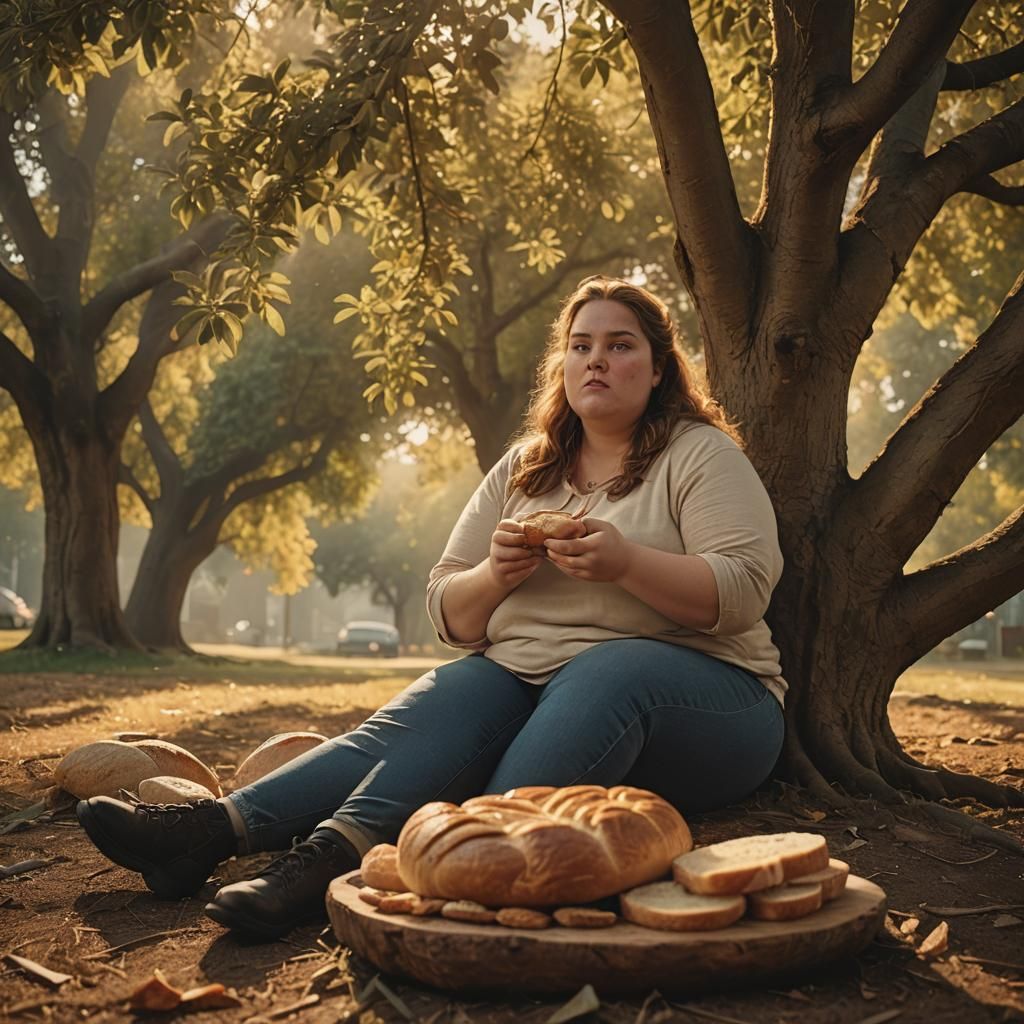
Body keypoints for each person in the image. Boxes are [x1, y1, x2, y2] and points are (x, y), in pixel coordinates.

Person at [76, 275, 786, 940]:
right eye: (580, 346)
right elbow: (450, 612)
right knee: (450, 696)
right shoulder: (526, 467)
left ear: (659, 369)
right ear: (562, 367)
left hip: (711, 702)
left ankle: (476, 861)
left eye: (620, 345)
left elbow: (745, 586)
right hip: (531, 689)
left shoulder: (699, 455)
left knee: (607, 673)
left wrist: (627, 562)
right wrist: (494, 575)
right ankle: (239, 839)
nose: (596, 360)